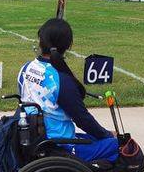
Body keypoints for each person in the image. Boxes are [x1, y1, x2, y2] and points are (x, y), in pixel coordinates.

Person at [17, 18, 118, 162]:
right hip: (60, 147)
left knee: (97, 138)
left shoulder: (26, 68)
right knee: (120, 145)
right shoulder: (61, 79)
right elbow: (82, 120)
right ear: (68, 46)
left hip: (32, 137)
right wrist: (108, 135)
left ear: (41, 41)